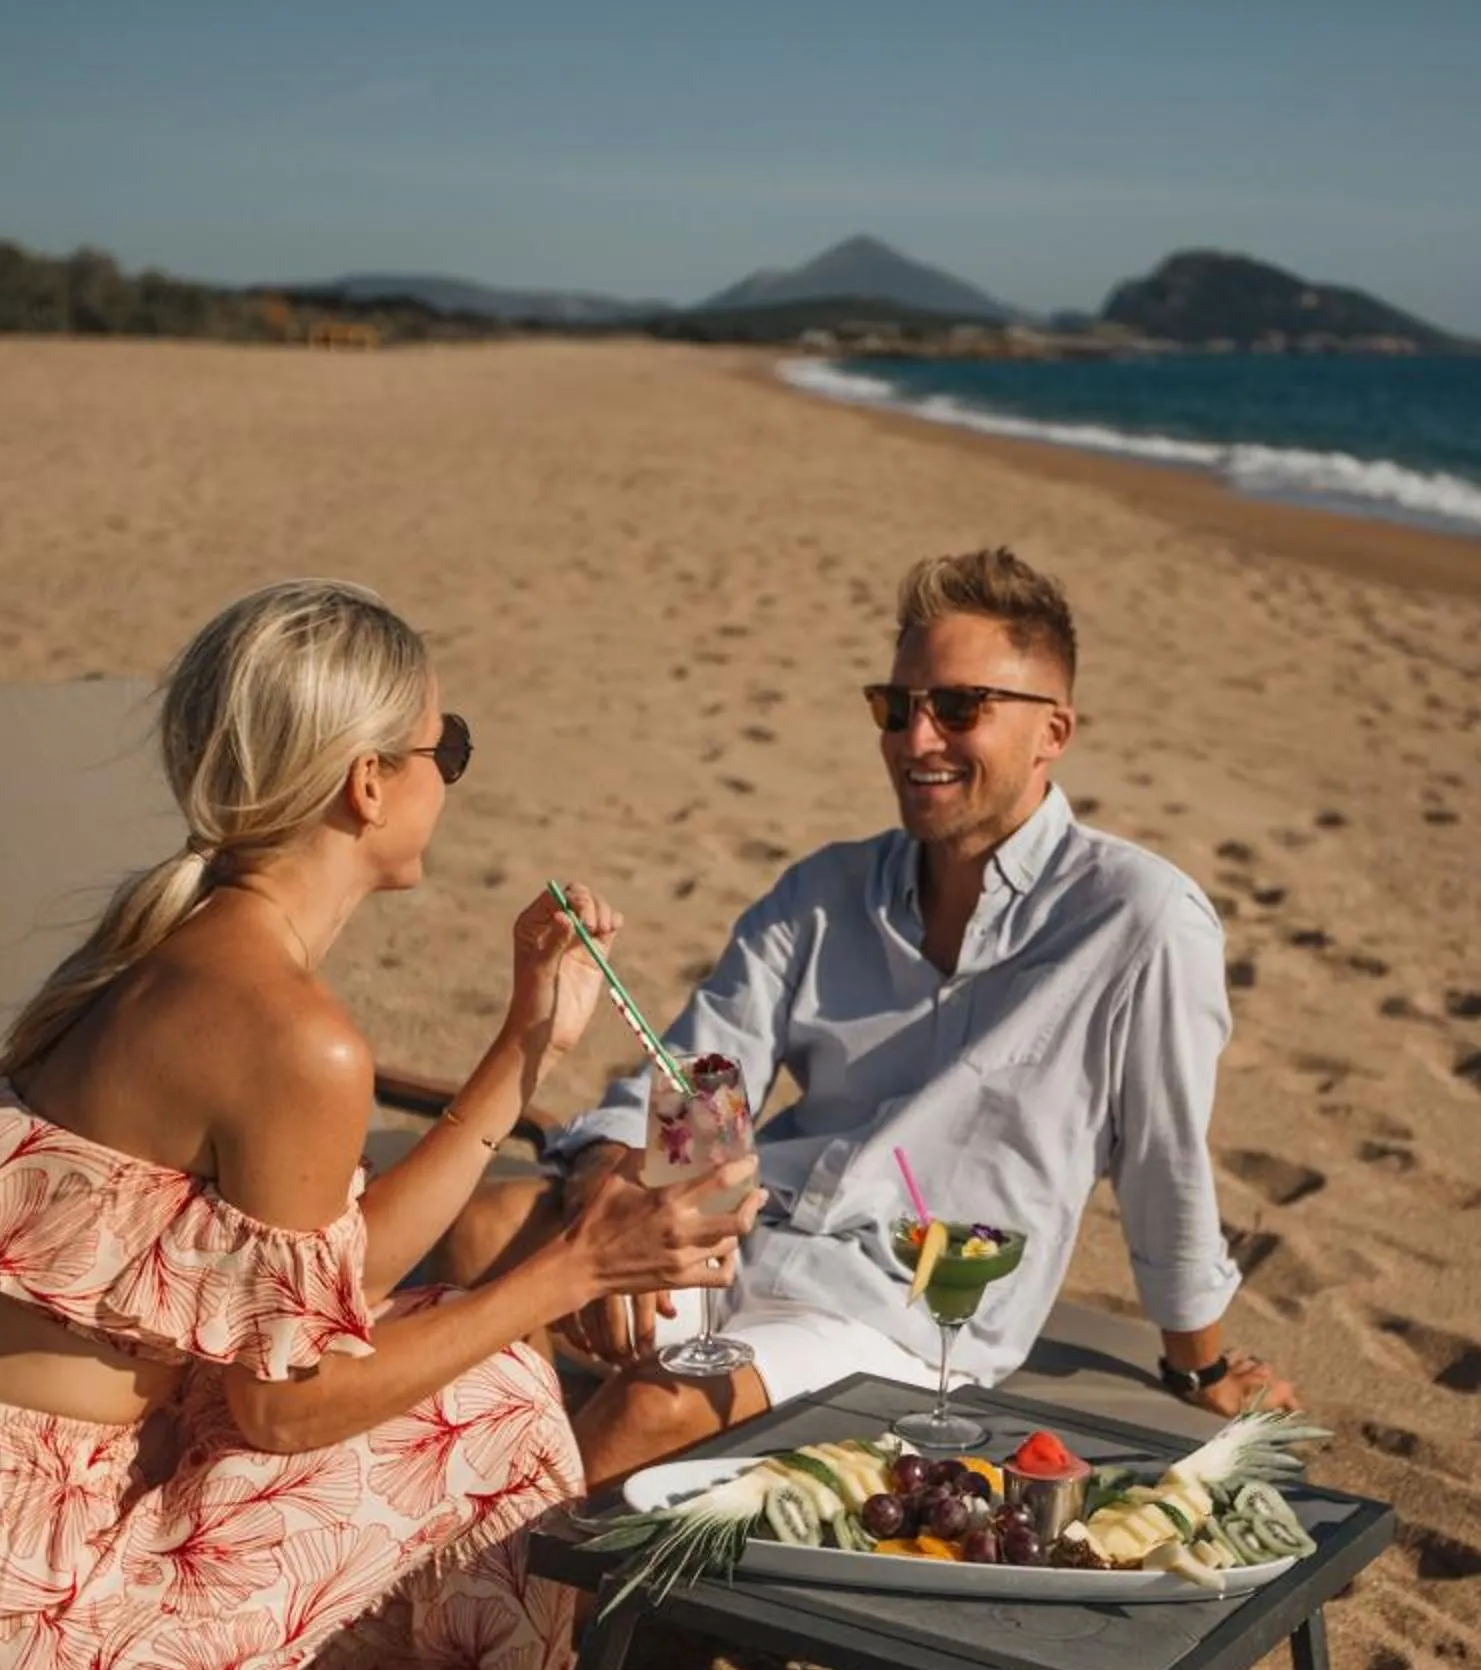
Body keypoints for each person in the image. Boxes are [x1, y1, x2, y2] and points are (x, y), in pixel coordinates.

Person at [0, 580, 757, 1670]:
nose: (455, 775)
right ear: (368, 784)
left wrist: (523, 1049)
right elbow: (281, 1411)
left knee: (445, 1342)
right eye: (455, 747)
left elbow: (306, 1292)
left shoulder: (148, 949)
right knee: (491, 1401)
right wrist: (574, 1266)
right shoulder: (295, 1038)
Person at [538, 548, 1298, 1489]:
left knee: (652, 1407)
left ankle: (479, 1619)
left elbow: (1165, 1163)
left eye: (959, 708)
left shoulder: (1139, 919)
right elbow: (702, 1068)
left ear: (1053, 730)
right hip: (733, 1238)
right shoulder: (827, 889)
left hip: (893, 1314)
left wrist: (1202, 1361)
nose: (916, 737)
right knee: (498, 1238)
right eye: (897, 707)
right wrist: (608, 1184)